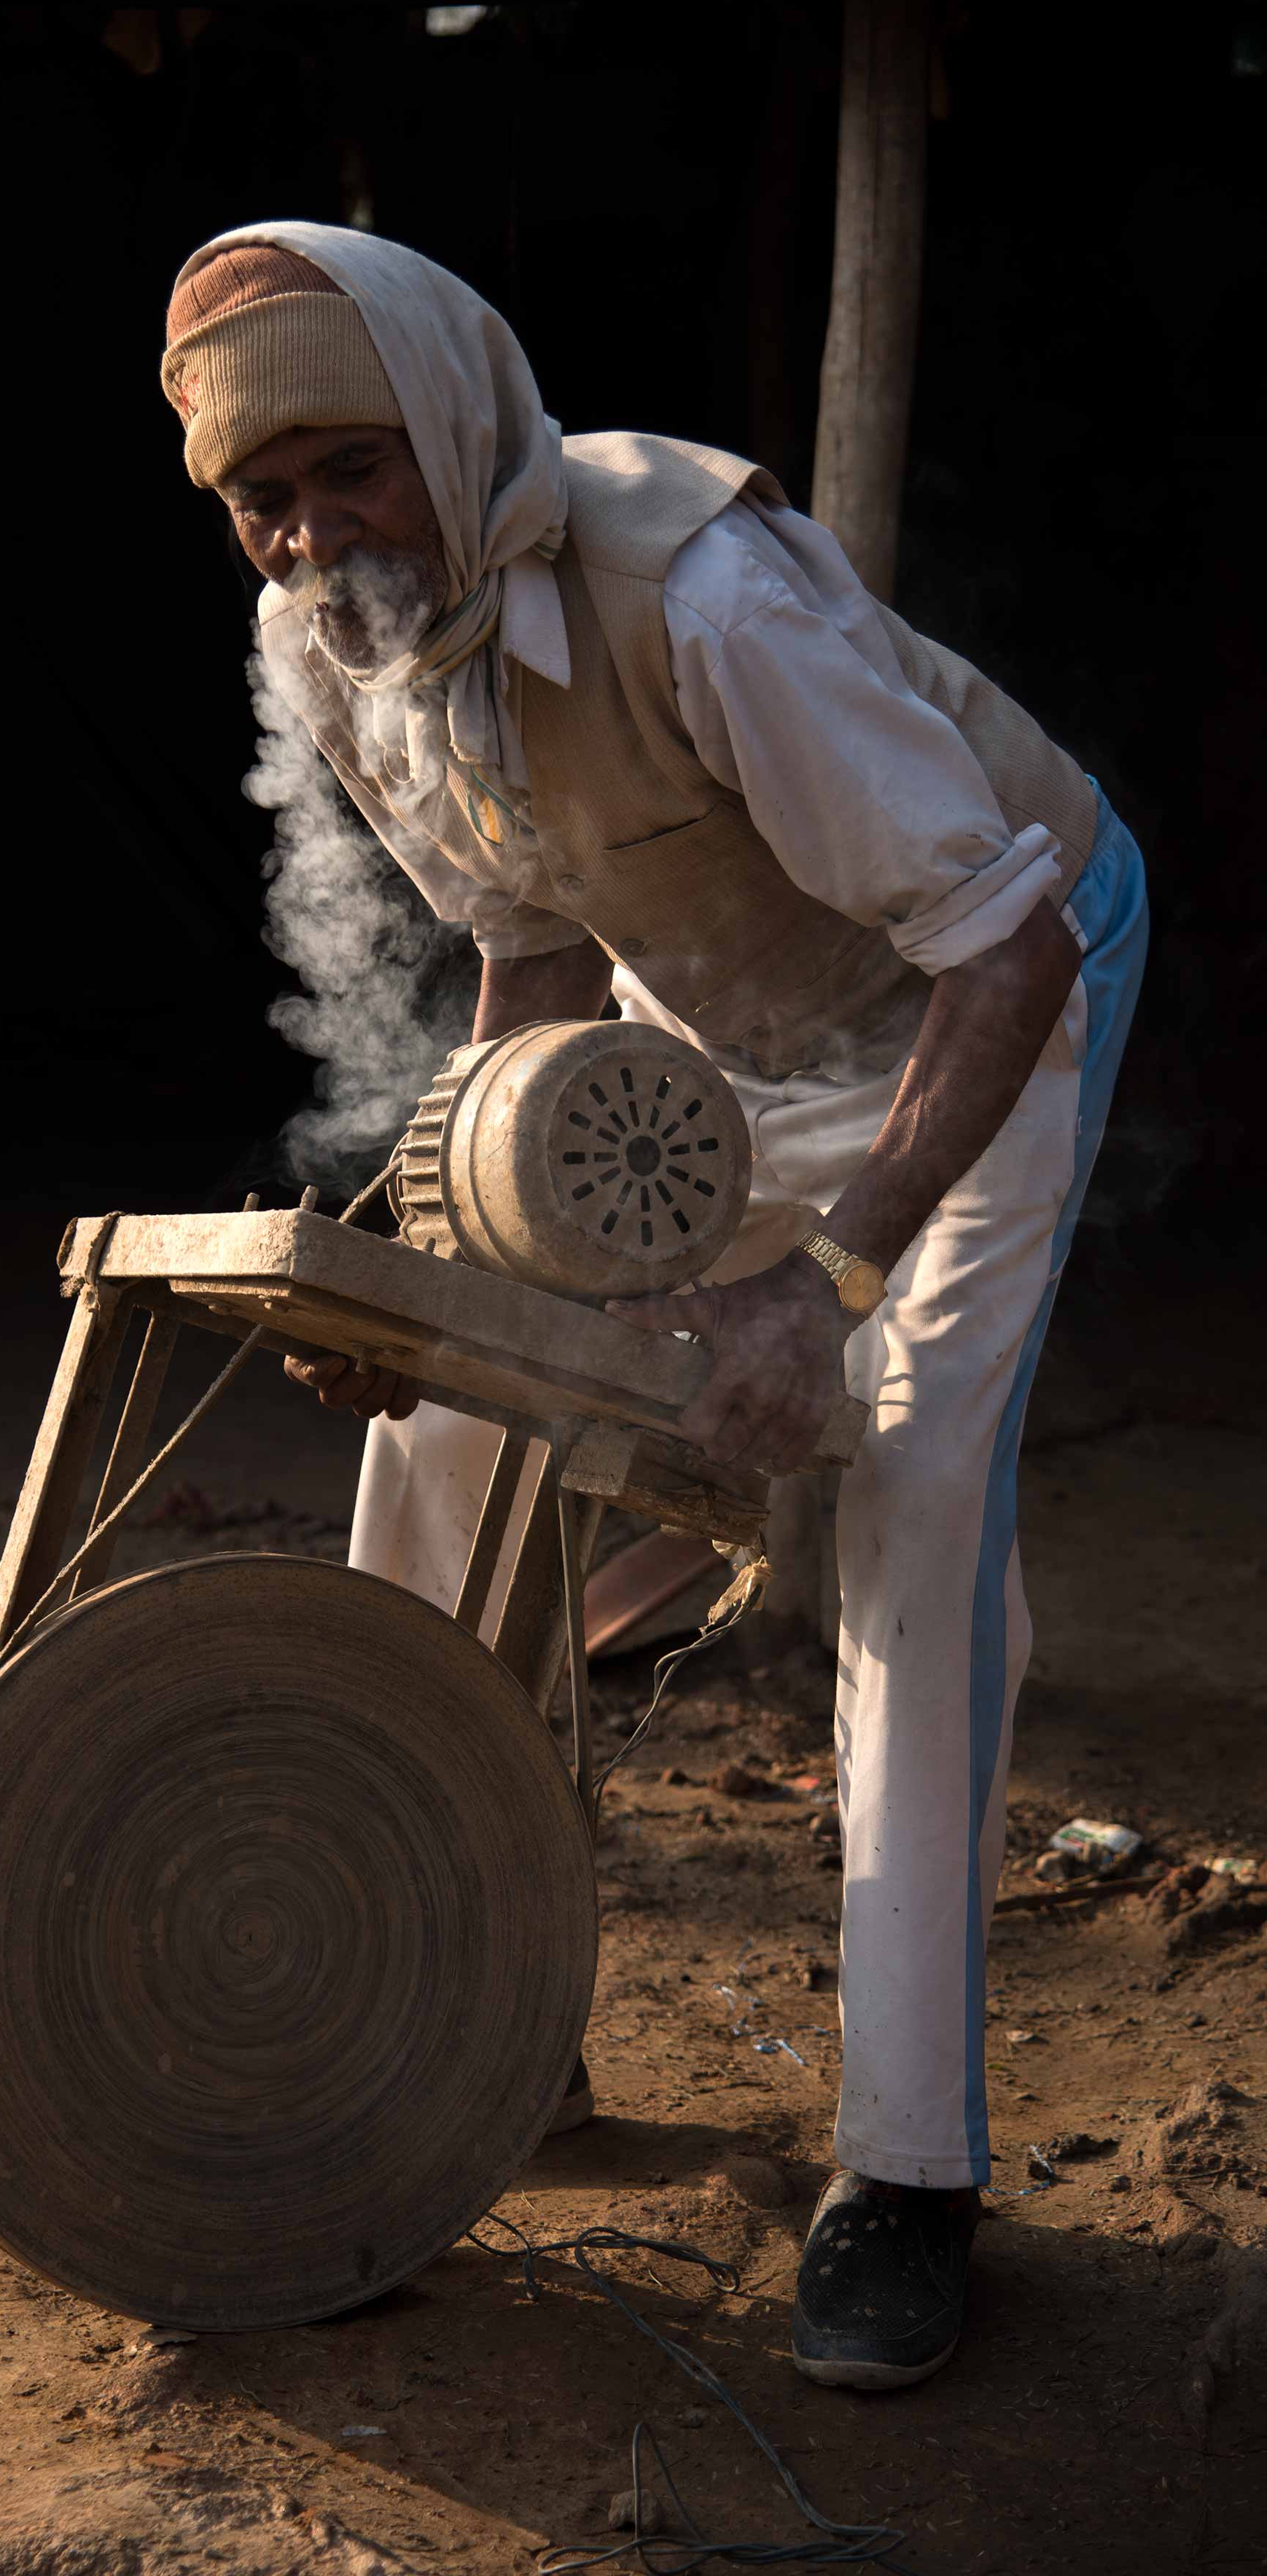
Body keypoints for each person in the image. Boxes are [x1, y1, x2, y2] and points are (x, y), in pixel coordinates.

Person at [161, 224, 1146, 2392]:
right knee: (440, 1436)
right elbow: (521, 949)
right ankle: (450, 2022)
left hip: (978, 995)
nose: (314, 533)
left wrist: (832, 1275)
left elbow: (1003, 947)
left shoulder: (700, 592)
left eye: (349, 470)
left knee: (904, 1519)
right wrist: (444, 1254)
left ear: (447, 420)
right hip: (706, 1031)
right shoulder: (331, 641)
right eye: (264, 499)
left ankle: (907, 2177)